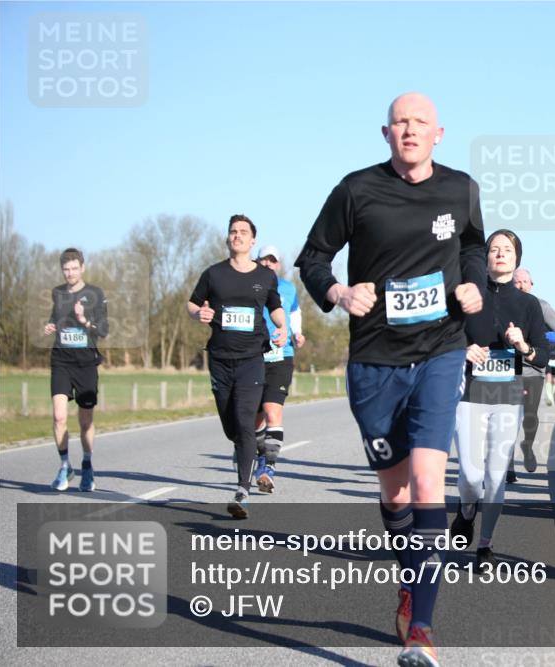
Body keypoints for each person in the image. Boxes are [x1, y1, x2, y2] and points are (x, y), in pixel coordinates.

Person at [295, 92, 485, 666]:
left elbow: (473, 244)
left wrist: (472, 282)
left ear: (439, 133)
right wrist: (337, 292)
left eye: (420, 122)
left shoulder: (460, 188)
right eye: (400, 122)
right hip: (375, 358)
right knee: (396, 491)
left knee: (431, 483)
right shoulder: (356, 190)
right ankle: (411, 581)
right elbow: (313, 257)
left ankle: (422, 629)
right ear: (386, 133)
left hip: (440, 351)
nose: (410, 130)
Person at [450, 230, 548, 568]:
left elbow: (543, 356)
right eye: (494, 249)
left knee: (494, 477)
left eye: (507, 250)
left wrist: (522, 346)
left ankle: (486, 546)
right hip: (469, 395)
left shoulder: (528, 304)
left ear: (517, 258)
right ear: (485, 258)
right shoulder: (466, 297)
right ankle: (466, 510)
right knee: (470, 476)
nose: (501, 254)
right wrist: (463, 349)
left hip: (506, 395)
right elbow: (440, 340)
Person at [188, 215, 287, 519]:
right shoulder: (214, 274)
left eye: (243, 232)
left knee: (245, 421)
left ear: (252, 240)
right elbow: (192, 303)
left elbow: (275, 307)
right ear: (228, 238)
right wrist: (198, 314)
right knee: (232, 428)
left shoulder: (265, 276)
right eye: (233, 232)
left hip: (252, 359)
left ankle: (242, 492)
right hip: (219, 358)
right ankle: (253, 447)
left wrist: (281, 328)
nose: (237, 236)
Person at [44, 248, 109, 492]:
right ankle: (64, 466)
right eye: (66, 269)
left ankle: (87, 464)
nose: (70, 273)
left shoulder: (95, 294)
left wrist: (83, 321)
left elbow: (102, 330)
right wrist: (51, 326)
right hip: (61, 359)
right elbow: (55, 317)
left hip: (86, 362)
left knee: (85, 421)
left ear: (82, 268)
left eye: (74, 268)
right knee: (59, 416)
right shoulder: (57, 293)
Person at [252, 245, 305, 494]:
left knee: (273, 411)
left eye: (273, 261)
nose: (269, 265)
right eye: (265, 260)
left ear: (279, 264)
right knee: (255, 419)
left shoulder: (288, 287)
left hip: (281, 356)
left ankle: (267, 468)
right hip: (251, 356)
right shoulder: (247, 283)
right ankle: (255, 454)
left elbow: (294, 312)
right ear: (258, 261)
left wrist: (297, 333)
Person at [506, 267, 555, 483]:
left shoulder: (541, 305)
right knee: (508, 418)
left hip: (533, 368)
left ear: (532, 284)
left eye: (524, 282)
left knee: (529, 416)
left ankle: (527, 445)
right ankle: (508, 465)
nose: (520, 285)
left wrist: (536, 336)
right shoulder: (506, 304)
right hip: (508, 369)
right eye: (516, 282)